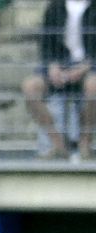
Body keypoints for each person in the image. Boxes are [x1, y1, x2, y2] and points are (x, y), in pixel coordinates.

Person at [22, 0, 96, 160]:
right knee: (30, 87)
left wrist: (86, 66)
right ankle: (57, 144)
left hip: (89, 65)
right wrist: (52, 65)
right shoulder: (55, 7)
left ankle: (85, 143)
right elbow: (46, 42)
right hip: (59, 64)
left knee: (93, 87)